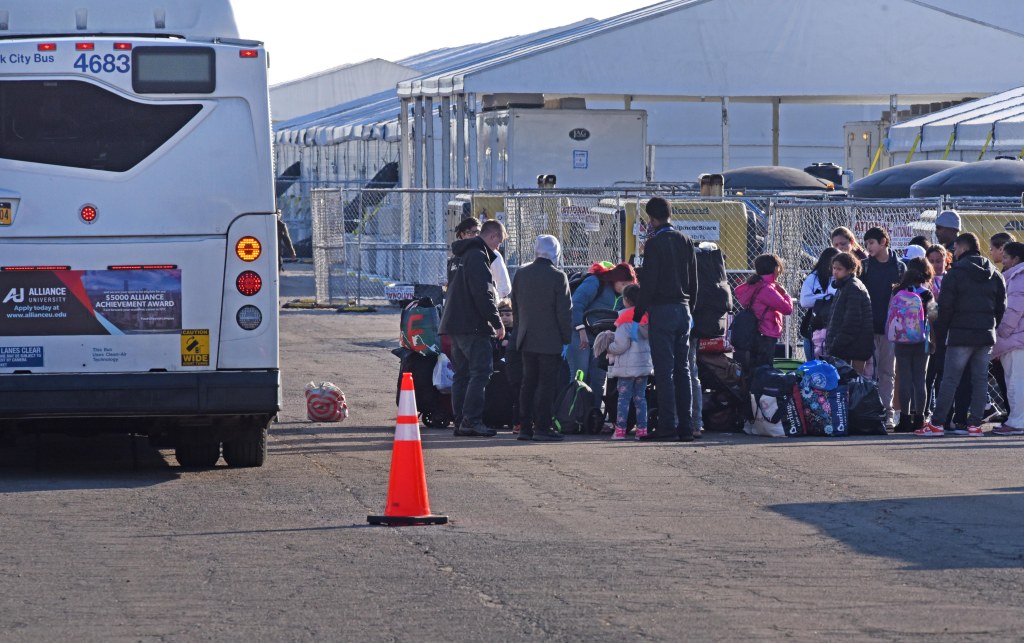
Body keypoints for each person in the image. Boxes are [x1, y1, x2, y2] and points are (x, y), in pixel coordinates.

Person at [918, 232, 1006, 437]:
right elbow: (1002, 306)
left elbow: (946, 307)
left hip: (959, 334)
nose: (953, 252)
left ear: (964, 248)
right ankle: (974, 424)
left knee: (950, 379)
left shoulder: (955, 274)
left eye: (955, 249)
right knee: (980, 379)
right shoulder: (994, 273)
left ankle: (937, 423)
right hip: (985, 334)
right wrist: (992, 325)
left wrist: (941, 331)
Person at [633, 196, 698, 442]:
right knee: (683, 370)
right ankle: (687, 426)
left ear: (652, 218)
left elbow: (649, 283)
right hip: (683, 311)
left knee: (664, 371)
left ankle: (667, 426)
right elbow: (694, 280)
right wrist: (691, 309)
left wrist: (638, 314)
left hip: (662, 310)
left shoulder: (654, 244)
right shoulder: (686, 240)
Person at [440, 219, 508, 437]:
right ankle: (472, 420)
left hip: (454, 324)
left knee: (461, 374)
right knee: (481, 372)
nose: (498, 247)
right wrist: (497, 322)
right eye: (499, 242)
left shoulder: (457, 257)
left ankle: (460, 419)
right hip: (473, 325)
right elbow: (484, 293)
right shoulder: (478, 257)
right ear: (492, 237)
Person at [511, 235, 572, 442]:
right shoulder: (558, 276)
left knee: (528, 383)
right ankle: (543, 426)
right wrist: (566, 339)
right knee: (547, 384)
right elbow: (564, 312)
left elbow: (515, 306)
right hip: (550, 340)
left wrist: (519, 330)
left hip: (526, 337)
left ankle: (525, 427)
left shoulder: (521, 273)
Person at [568, 261, 637, 408]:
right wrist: (580, 330)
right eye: (623, 284)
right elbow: (576, 304)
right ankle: (573, 416)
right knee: (579, 375)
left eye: (628, 285)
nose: (625, 289)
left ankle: (594, 416)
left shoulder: (625, 297)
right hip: (580, 335)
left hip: (601, 339)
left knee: (598, 380)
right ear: (614, 279)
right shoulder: (595, 282)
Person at [861, 226, 906, 429]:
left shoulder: (899, 268)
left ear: (883, 242)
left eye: (871, 243)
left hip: (891, 328)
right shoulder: (864, 267)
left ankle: (887, 412)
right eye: (866, 243)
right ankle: (868, 410)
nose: (868, 247)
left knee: (888, 371)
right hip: (868, 326)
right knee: (868, 371)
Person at [890, 257, 937, 433]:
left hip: (901, 340)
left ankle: (904, 419)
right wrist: (934, 340)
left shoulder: (897, 291)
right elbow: (933, 317)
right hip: (921, 340)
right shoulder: (927, 293)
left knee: (904, 379)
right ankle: (920, 419)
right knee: (920, 379)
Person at [604, 284, 653, 441]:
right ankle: (642, 429)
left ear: (625, 300)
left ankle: (620, 430)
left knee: (623, 398)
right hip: (643, 364)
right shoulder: (646, 317)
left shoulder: (625, 318)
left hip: (626, 366)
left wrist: (608, 347)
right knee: (641, 398)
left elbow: (621, 345)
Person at [734, 254, 794, 372]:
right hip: (765, 333)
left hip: (753, 332)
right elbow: (787, 309)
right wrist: (785, 293)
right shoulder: (767, 289)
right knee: (764, 368)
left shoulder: (753, 285)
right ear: (775, 268)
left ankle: (749, 389)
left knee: (752, 367)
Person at [992, 241, 1024, 435]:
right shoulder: (1015, 276)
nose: (1002, 261)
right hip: (1016, 339)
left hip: (1015, 340)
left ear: (1016, 259)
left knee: (1016, 382)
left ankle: (1017, 421)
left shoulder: (1018, 277)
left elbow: (1014, 309)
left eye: (1005, 257)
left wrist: (1002, 332)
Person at [824, 252, 874, 374]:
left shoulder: (852, 287)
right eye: (834, 268)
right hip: (847, 344)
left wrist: (836, 344)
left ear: (850, 270)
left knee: (853, 383)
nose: (835, 272)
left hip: (854, 346)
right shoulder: (843, 286)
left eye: (839, 269)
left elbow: (852, 321)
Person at [799, 247, 839, 360]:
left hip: (835, 325)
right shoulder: (813, 277)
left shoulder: (841, 278)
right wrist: (827, 297)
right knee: (813, 364)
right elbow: (805, 301)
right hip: (815, 325)